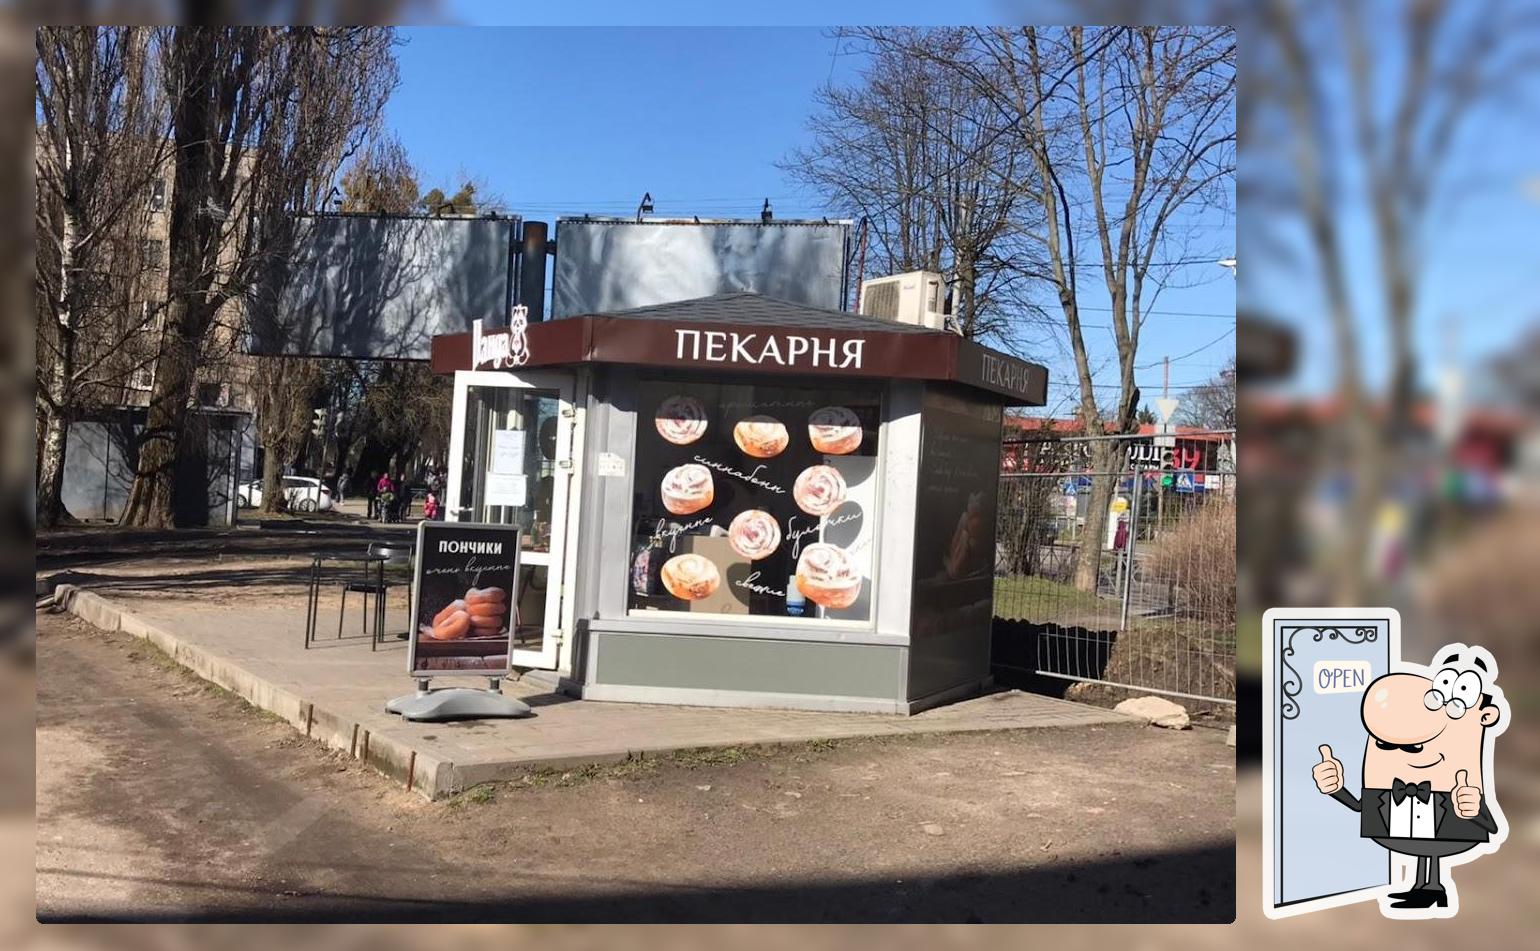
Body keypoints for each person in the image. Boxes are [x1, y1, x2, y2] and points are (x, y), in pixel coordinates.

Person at [1312, 644, 1507, 914]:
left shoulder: (1461, 786)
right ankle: (1423, 887)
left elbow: (1491, 826)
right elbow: (1360, 807)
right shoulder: (1386, 791)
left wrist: (1473, 810)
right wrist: (1335, 788)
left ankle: (1433, 888)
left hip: (1447, 828)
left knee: (1432, 848)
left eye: (1414, 746)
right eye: (1385, 745)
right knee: (1424, 849)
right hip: (1403, 830)